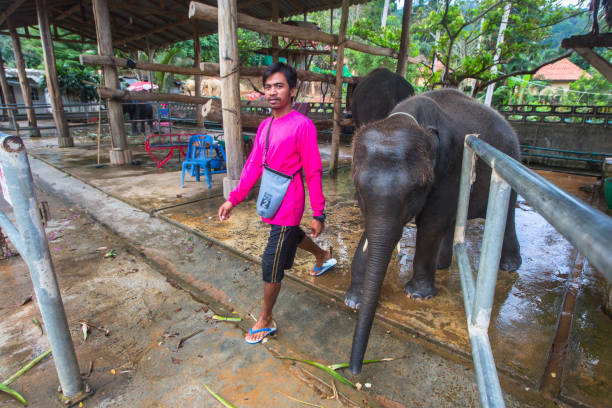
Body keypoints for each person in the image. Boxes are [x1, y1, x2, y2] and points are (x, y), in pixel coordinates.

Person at [218, 62, 337, 344]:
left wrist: (318, 212)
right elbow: (252, 167)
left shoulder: (302, 126)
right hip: (272, 196)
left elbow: (313, 170)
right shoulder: (266, 126)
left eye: (279, 86)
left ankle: (266, 319)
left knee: (272, 261)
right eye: (269, 86)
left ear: (292, 91)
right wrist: (233, 199)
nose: (272, 92)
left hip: (290, 201)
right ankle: (322, 256)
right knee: (290, 238)